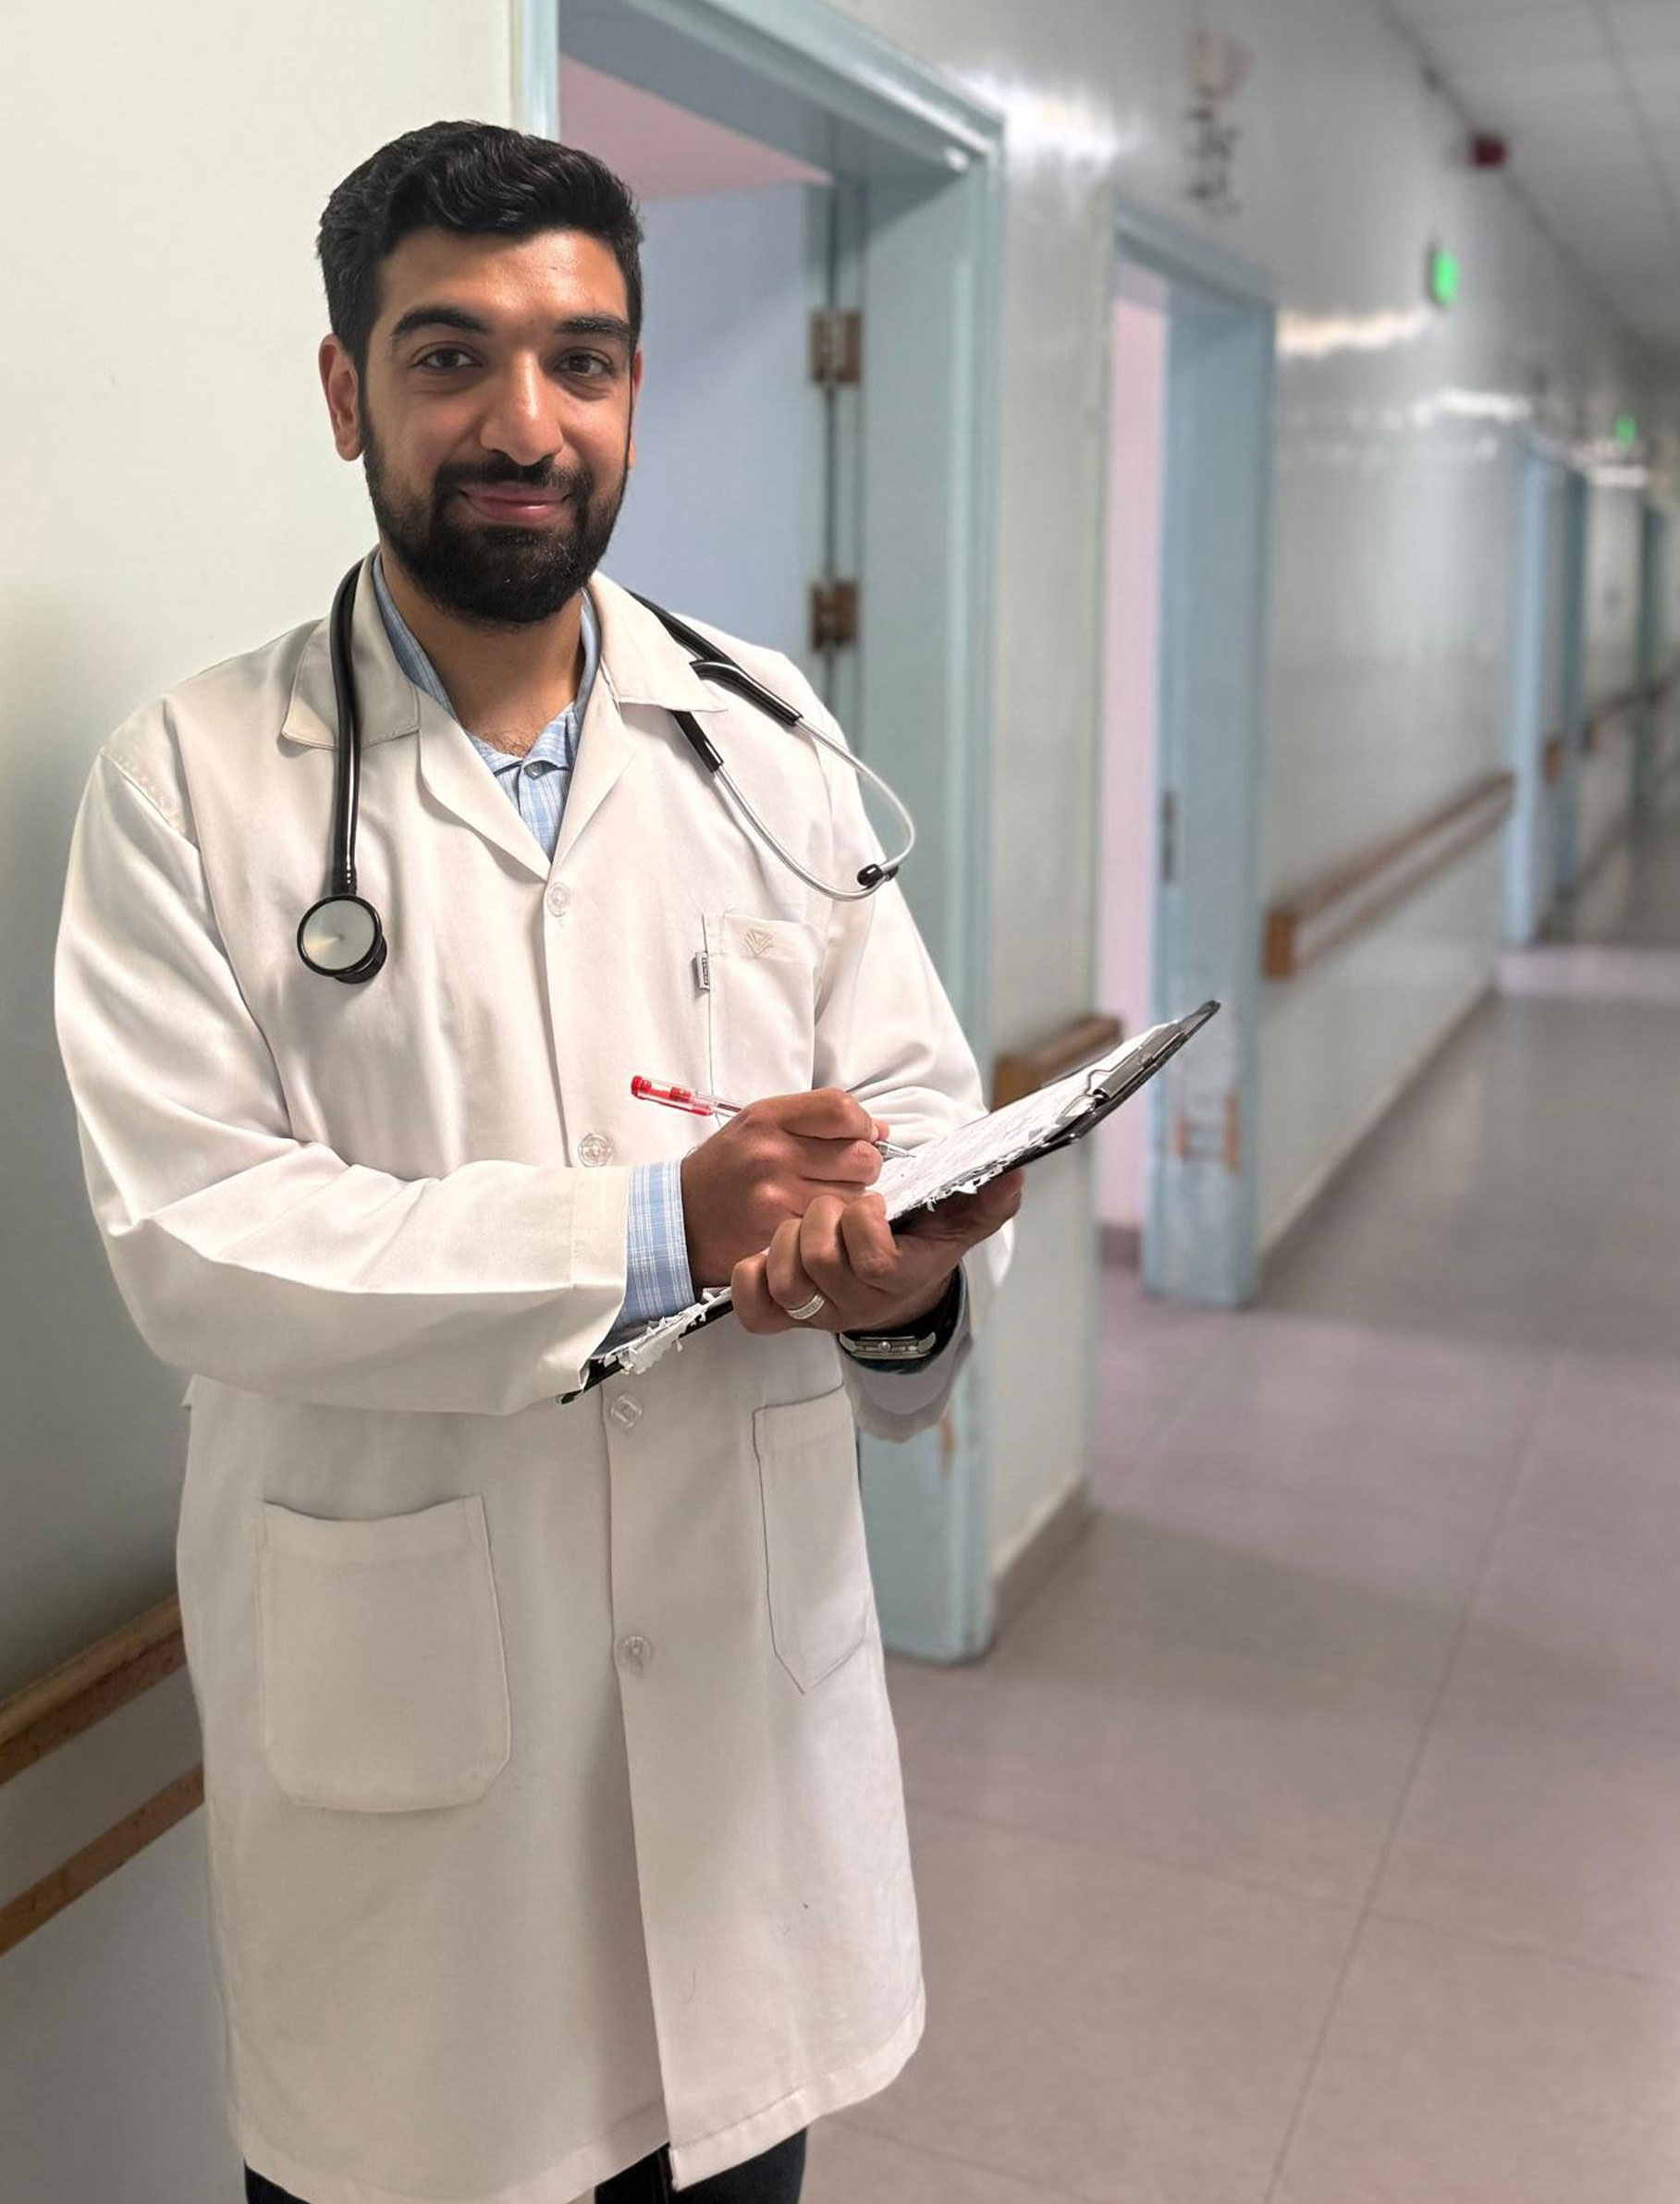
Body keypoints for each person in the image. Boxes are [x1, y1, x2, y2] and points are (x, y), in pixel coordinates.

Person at [54, 120, 1018, 2204]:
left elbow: (918, 1109)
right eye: (449, 356)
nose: (526, 420)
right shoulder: (194, 784)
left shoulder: (764, 741)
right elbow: (196, 1236)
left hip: (740, 1745)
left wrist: (903, 1270)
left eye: (583, 361)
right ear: (346, 393)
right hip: (418, 1802)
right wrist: (653, 1230)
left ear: (635, 395)